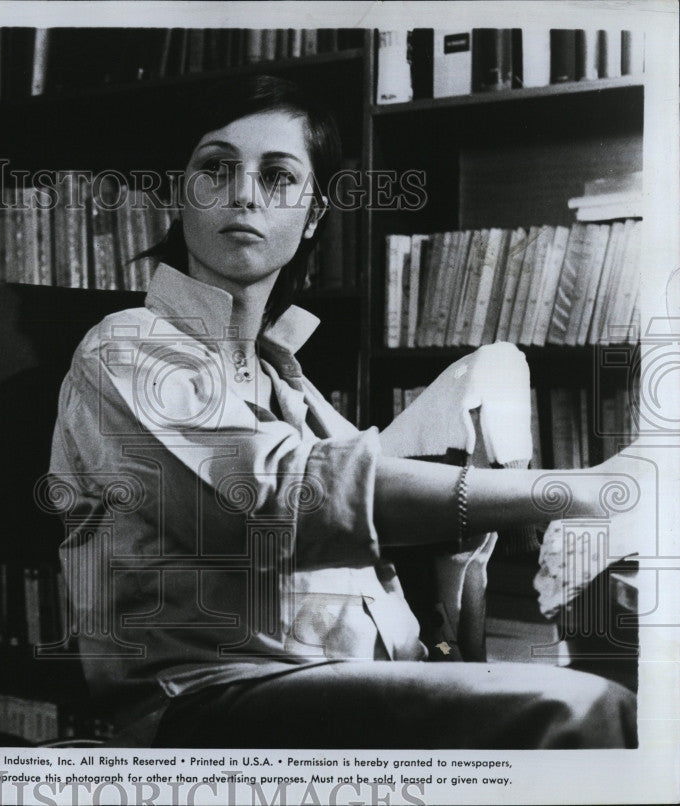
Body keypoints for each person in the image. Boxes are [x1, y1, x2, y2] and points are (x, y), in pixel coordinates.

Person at [46, 75, 640, 748]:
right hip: (215, 703)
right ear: (181, 195)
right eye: (215, 168)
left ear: (314, 216)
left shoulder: (283, 379)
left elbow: (379, 502)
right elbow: (286, 496)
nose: (243, 192)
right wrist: (578, 491)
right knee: (579, 710)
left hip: (347, 687)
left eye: (277, 177)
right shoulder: (126, 347)